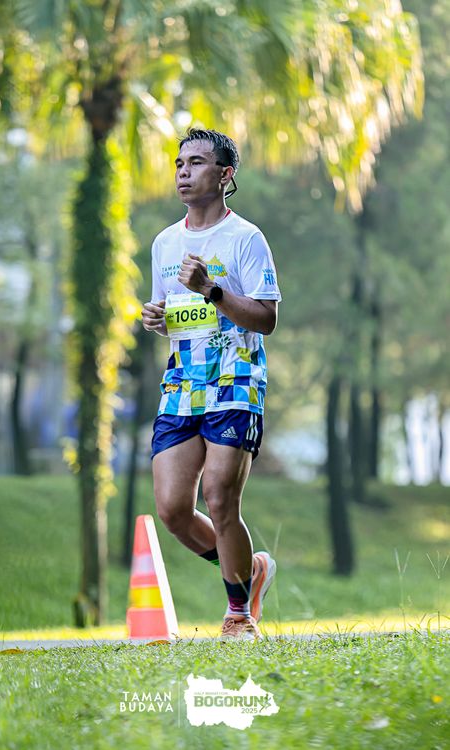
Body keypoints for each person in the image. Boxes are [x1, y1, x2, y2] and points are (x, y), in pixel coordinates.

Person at [141, 128, 281, 640]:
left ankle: (238, 614)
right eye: (180, 163)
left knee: (220, 498)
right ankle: (251, 570)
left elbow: (266, 319)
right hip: (183, 382)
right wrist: (157, 319)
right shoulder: (164, 243)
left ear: (225, 175)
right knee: (174, 510)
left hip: (236, 378)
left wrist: (212, 289)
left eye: (197, 163)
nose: (184, 172)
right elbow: (178, 316)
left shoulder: (245, 238)